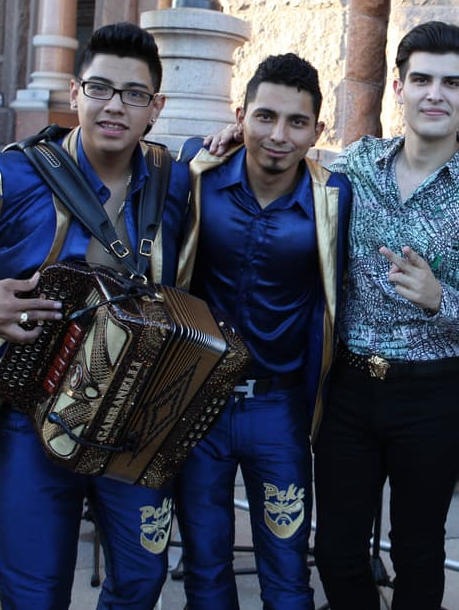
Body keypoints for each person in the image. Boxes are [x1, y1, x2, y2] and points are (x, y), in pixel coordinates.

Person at [0, 22, 191, 609]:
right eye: (100, 88)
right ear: (74, 92)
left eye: (134, 94)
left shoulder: (174, 181)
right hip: (30, 413)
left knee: (142, 582)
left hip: (135, 418)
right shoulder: (13, 172)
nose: (114, 106)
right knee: (33, 594)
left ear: (156, 107)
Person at [312, 21, 459, 608]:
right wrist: (224, 143)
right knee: (335, 550)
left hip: (430, 397)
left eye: (451, 83)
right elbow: (287, 178)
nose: (435, 94)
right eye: (422, 80)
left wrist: (438, 298)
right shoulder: (357, 164)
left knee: (418, 553)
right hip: (349, 388)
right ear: (399, 87)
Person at [174, 54, 350, 609]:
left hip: (279, 410)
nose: (278, 135)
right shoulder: (196, 175)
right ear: (239, 116)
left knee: (288, 572)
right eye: (265, 117)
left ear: (317, 130)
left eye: (297, 122)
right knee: (204, 568)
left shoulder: (334, 197)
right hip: (197, 402)